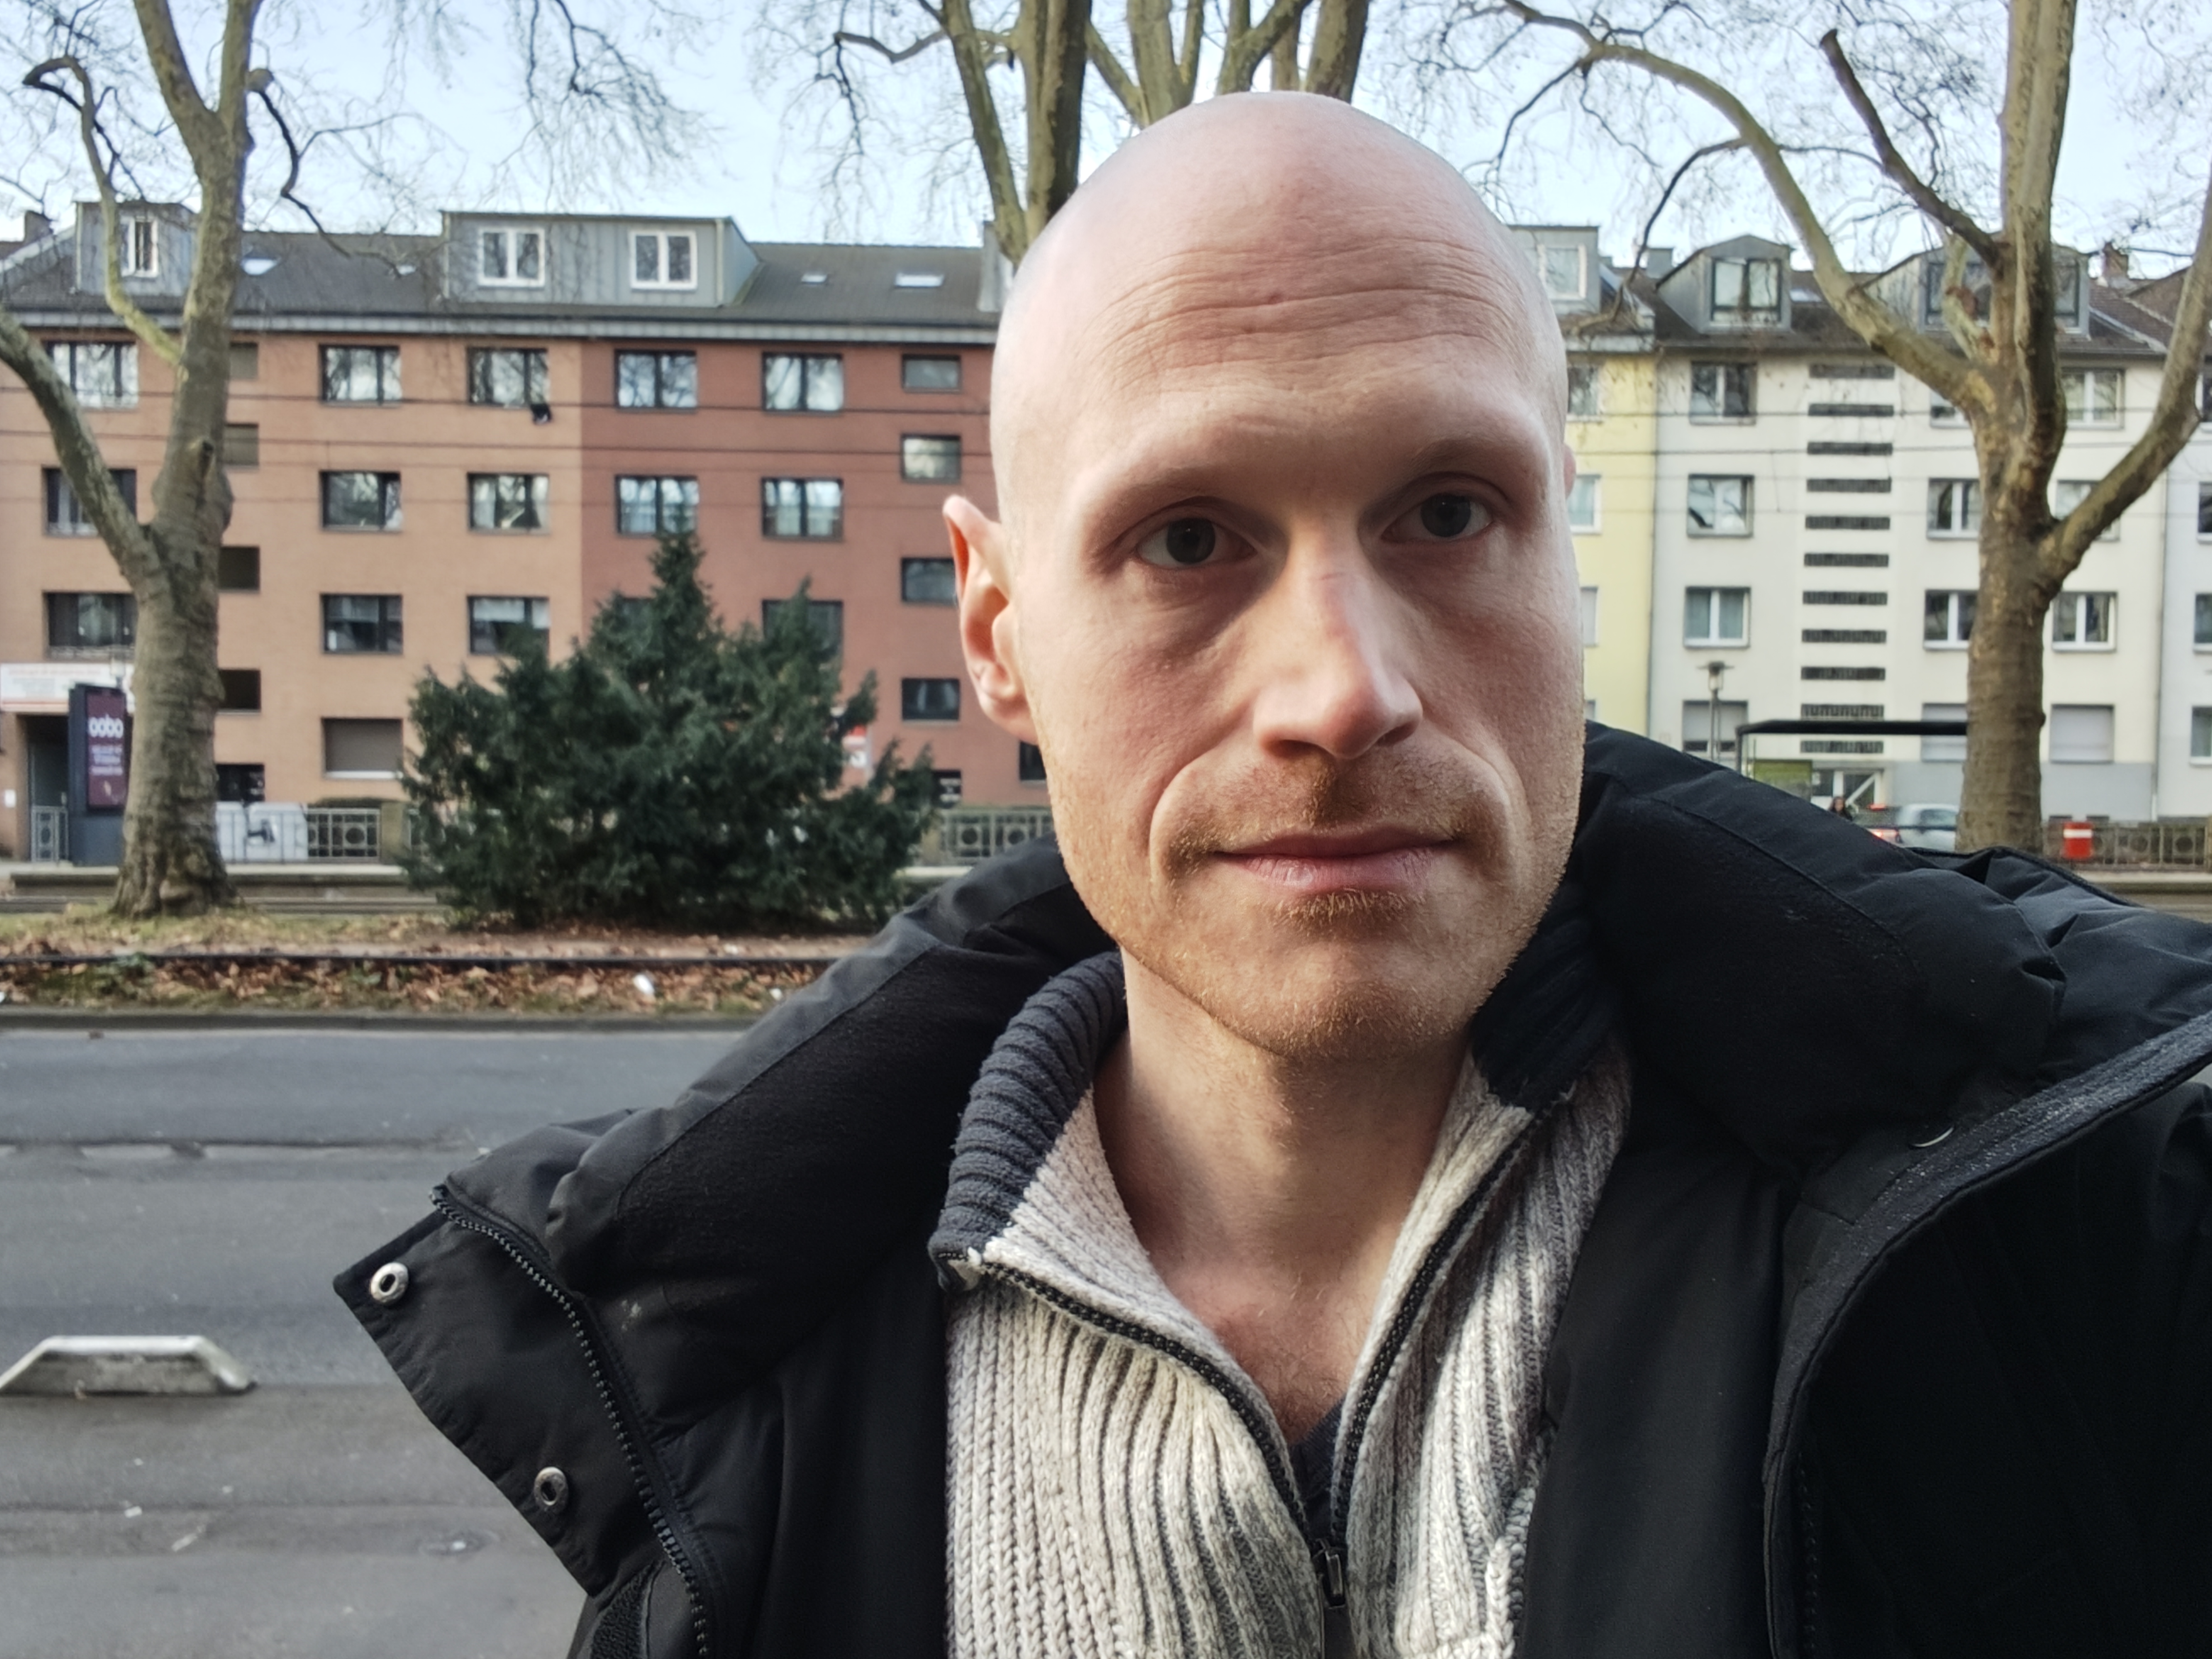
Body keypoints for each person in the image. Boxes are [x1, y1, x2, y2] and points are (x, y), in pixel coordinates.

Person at [342, 95, 2212, 1659]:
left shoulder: (2075, 1244)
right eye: (1188, 538)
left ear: (1566, 552)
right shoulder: (738, 1391)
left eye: (1449, 513)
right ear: (997, 632)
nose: (1344, 690)